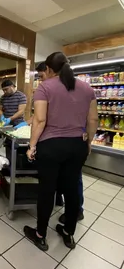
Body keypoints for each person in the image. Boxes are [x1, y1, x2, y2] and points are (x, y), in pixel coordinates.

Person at [23, 52, 98, 251]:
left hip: (51, 147)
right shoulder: (87, 88)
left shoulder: (45, 88)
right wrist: (88, 141)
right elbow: (93, 120)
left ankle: (40, 235)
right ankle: (68, 233)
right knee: (72, 190)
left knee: (47, 190)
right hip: (76, 146)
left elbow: (39, 120)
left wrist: (32, 146)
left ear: (48, 69)